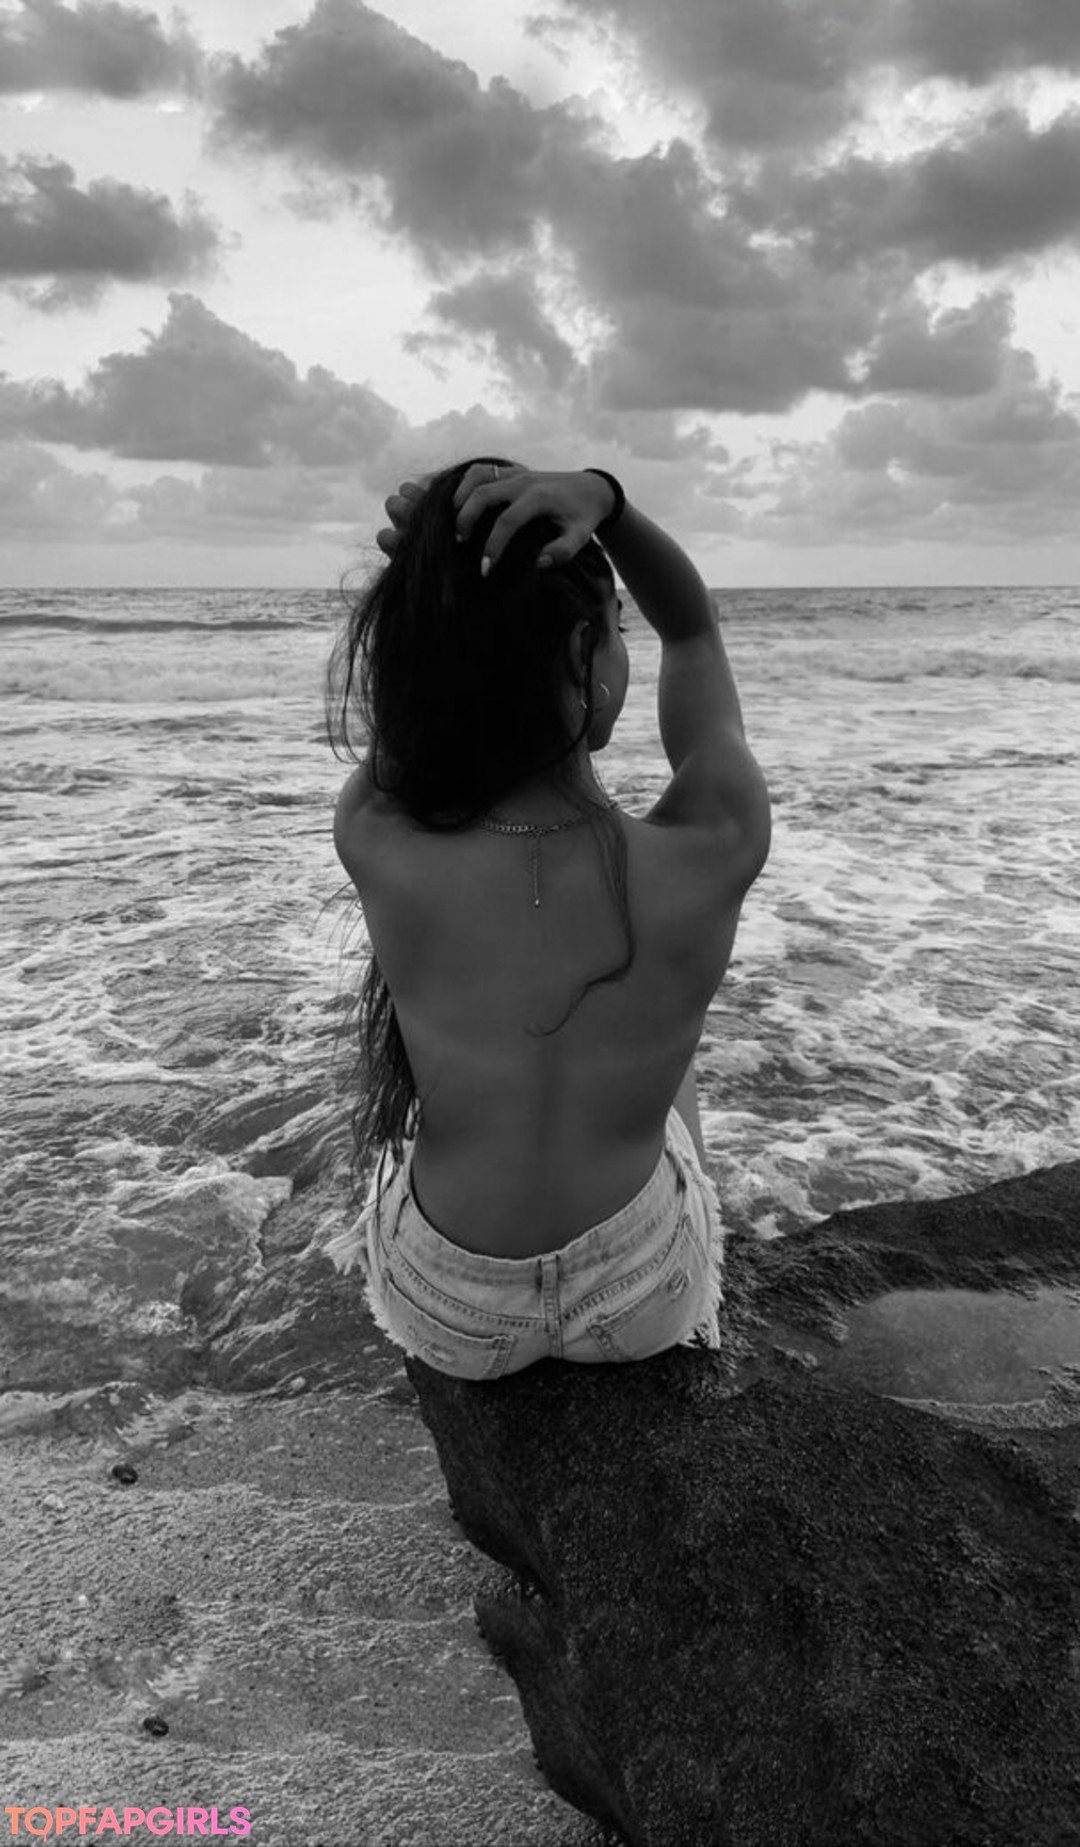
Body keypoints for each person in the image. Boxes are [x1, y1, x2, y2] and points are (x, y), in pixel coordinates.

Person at [321, 459, 770, 1380]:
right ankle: (690, 1322)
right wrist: (612, 503)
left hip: (449, 1308)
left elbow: (413, 713)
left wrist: (436, 587)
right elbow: (693, 631)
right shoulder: (715, 842)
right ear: (581, 652)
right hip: (639, 1299)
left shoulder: (376, 836)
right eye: (614, 631)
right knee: (669, 1051)